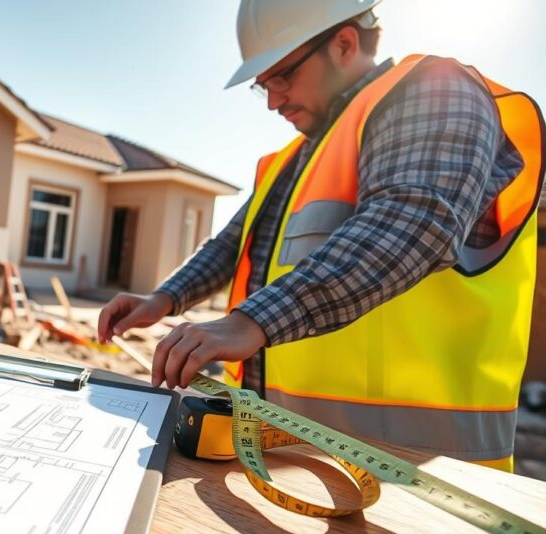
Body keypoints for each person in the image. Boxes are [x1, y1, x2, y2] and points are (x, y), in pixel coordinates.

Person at [97, 0, 543, 471]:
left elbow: (415, 222)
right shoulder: (297, 156)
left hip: (419, 469)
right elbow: (232, 243)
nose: (272, 100)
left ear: (345, 43)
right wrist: (164, 299)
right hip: (298, 455)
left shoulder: (436, 92)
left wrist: (250, 321)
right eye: (262, 86)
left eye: (281, 76)